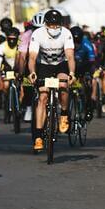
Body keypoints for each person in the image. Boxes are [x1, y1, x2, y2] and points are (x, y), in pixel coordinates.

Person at [27, 9, 75, 152]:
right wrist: (32, 72)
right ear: (45, 24)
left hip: (61, 64)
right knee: (42, 97)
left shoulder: (66, 34)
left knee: (63, 85)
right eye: (51, 25)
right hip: (44, 66)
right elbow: (32, 57)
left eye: (56, 25)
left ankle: (64, 114)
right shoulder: (37, 34)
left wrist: (72, 73)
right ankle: (38, 136)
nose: (54, 28)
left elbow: (70, 56)